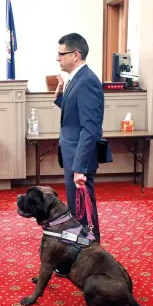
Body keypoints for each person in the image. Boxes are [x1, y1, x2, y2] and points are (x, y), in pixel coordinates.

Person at [53, 33, 108, 276]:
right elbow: (73, 116)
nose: (57, 58)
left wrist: (80, 167)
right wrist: (60, 95)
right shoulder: (75, 78)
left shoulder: (88, 81)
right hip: (72, 154)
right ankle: (78, 259)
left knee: (83, 212)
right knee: (76, 213)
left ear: (75, 55)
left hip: (79, 159)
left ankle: (91, 261)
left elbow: (90, 127)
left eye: (61, 53)